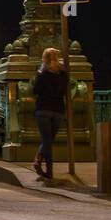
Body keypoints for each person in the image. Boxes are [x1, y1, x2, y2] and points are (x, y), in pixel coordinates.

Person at [30, 47, 68, 179]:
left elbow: (35, 90)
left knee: (47, 141)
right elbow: (64, 90)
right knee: (49, 141)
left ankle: (48, 170)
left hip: (43, 109)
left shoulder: (42, 73)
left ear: (44, 58)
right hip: (58, 110)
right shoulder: (63, 73)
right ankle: (39, 162)